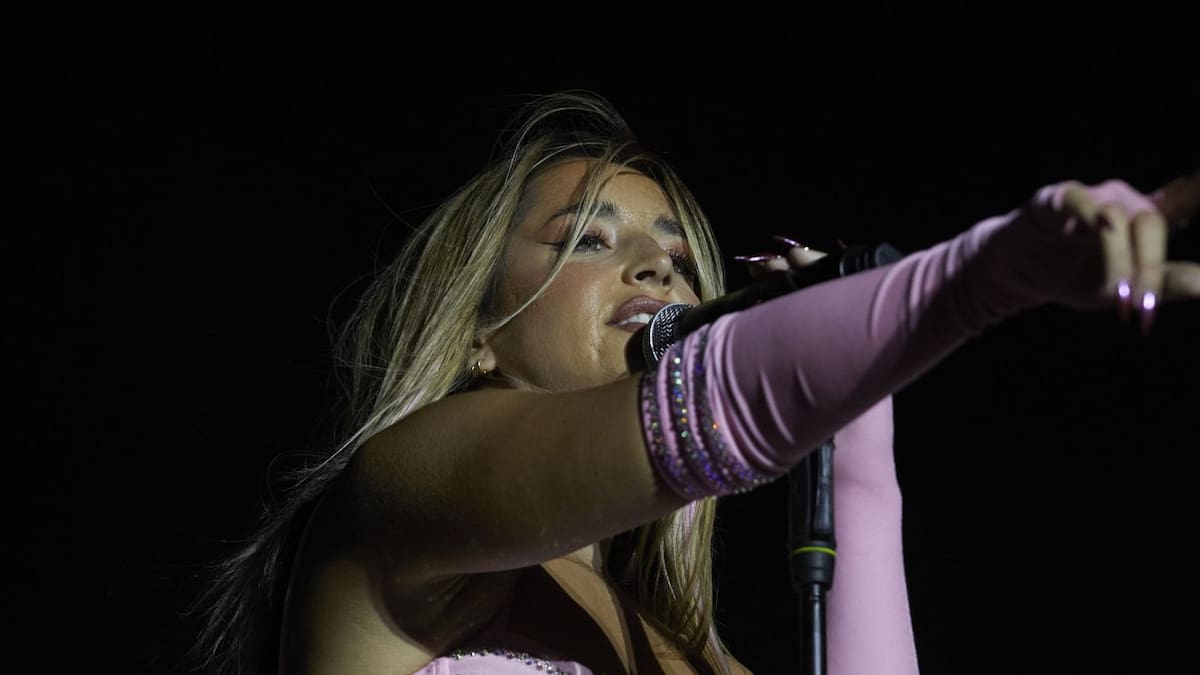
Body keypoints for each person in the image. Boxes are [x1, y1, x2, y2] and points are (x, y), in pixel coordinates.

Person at [187, 89, 1199, 674]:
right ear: (480, 330)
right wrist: (981, 274)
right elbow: (712, 411)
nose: (654, 269)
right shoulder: (398, 496)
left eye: (677, 255)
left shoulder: (692, 654)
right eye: (588, 238)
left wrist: (858, 445)